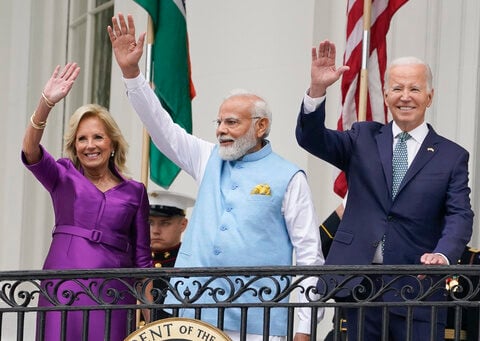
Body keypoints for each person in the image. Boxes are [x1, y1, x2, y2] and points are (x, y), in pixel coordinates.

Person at [108, 13, 324, 341]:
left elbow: (309, 254)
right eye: (219, 122)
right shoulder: (207, 157)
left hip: (257, 323)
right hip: (190, 315)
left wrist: (304, 328)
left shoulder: (289, 176)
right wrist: (131, 74)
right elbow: (161, 127)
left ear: (261, 126)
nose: (221, 129)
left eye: (232, 122)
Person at [295, 40, 474, 341]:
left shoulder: (452, 156)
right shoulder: (362, 137)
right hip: (359, 285)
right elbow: (311, 138)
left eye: (415, 89)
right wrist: (317, 91)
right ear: (387, 95)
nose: (406, 97)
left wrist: (443, 255)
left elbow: (460, 215)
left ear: (429, 97)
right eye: (398, 89)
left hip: (418, 286)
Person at [22, 63, 152, 341]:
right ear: (75, 146)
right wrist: (45, 104)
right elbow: (30, 151)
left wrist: (156, 323)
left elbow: (143, 262)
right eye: (82, 139)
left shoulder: (134, 192)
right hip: (63, 286)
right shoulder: (62, 175)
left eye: (97, 137)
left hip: (114, 292)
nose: (89, 145)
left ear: (112, 143)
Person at [147, 190, 195, 321]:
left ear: (183, 224)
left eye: (165, 223)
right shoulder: (132, 261)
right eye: (149, 223)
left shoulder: (192, 262)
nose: (155, 231)